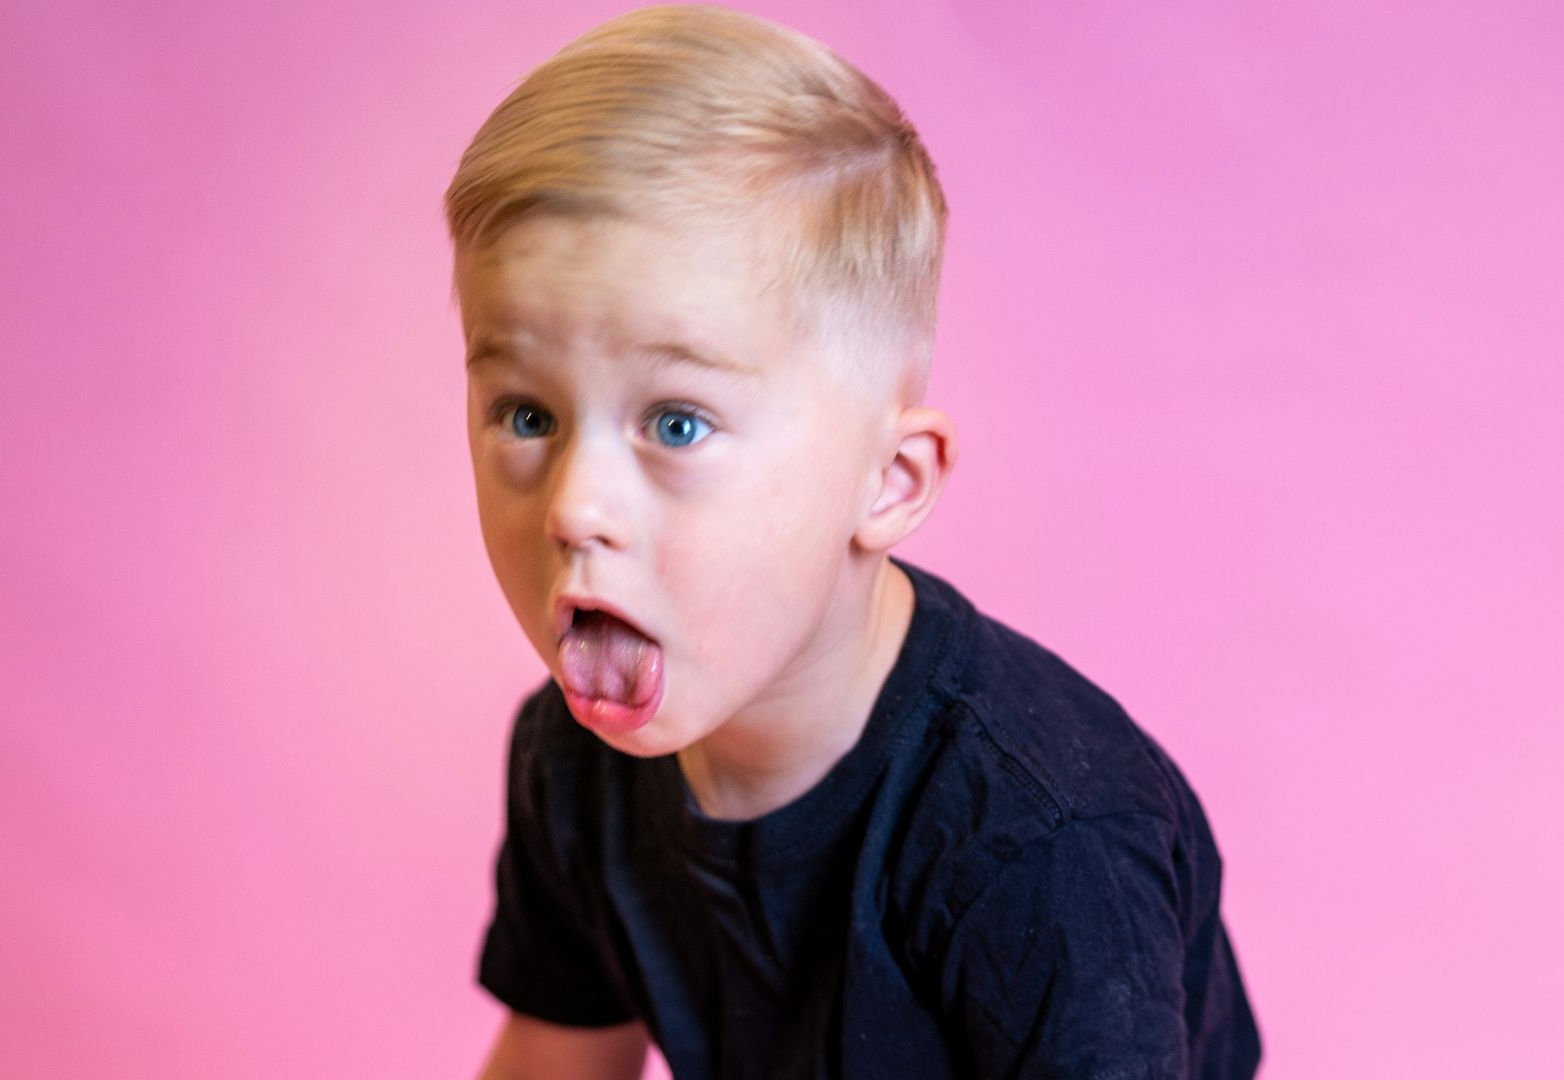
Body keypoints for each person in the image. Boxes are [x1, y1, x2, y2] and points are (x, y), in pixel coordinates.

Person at [443, 5, 1260, 1077]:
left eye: (676, 423)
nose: (574, 506)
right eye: (529, 415)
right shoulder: (574, 767)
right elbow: (558, 1055)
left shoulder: (1039, 843)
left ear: (888, 483)